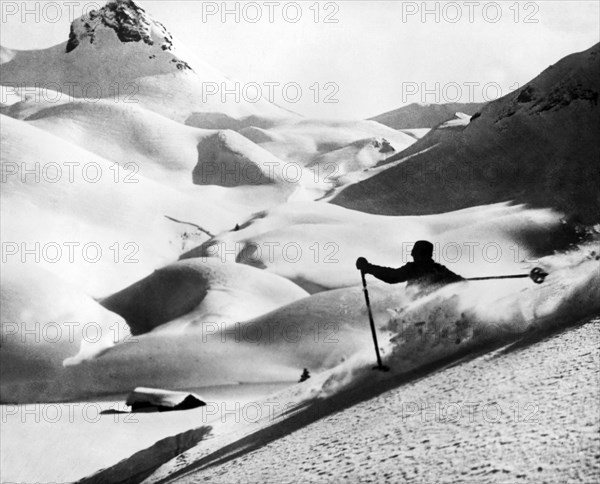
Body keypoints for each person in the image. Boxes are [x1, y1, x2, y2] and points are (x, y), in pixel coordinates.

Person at [356, 240, 464, 291]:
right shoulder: (438, 269)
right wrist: (369, 267)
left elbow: (392, 276)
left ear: (425, 255)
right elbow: (392, 276)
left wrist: (368, 267)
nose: (412, 254)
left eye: (416, 252)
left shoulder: (416, 268)